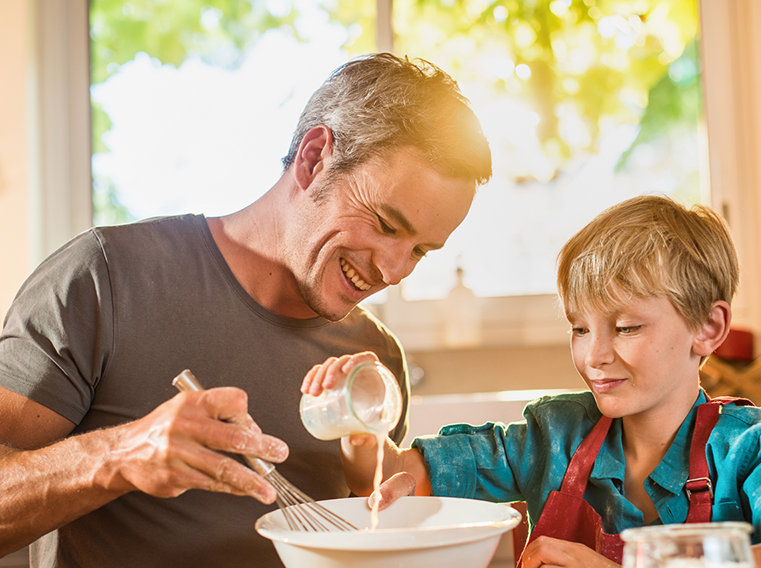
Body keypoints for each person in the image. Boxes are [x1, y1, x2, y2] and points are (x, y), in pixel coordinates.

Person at [0, 52, 492, 567]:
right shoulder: (104, 279)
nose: (394, 272)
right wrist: (120, 456)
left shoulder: (373, 362)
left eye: (419, 251)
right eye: (387, 225)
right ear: (313, 158)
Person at [302, 195, 761, 568]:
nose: (595, 355)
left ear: (707, 328)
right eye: (579, 328)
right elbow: (394, 475)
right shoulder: (553, 434)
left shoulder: (754, 444)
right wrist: (358, 424)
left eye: (626, 328)